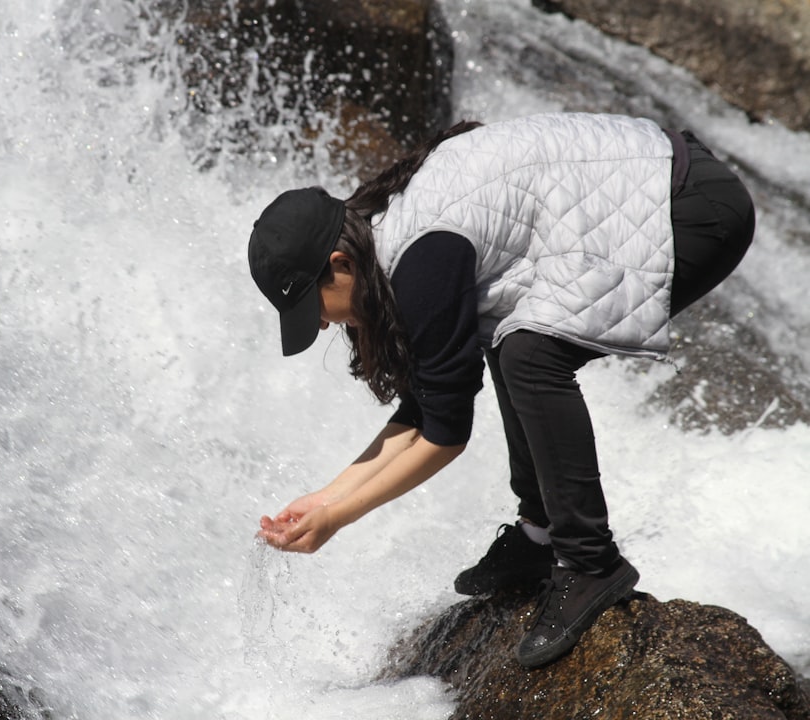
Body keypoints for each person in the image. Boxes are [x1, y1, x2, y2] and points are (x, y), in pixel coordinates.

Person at [246, 112, 755, 668]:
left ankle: (590, 563)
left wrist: (339, 519)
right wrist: (324, 498)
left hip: (690, 205)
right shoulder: (389, 239)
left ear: (339, 265)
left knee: (529, 352)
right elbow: (425, 405)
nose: (319, 325)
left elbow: (445, 435)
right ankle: (540, 536)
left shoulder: (422, 258)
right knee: (509, 332)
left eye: (311, 307)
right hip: (662, 187)